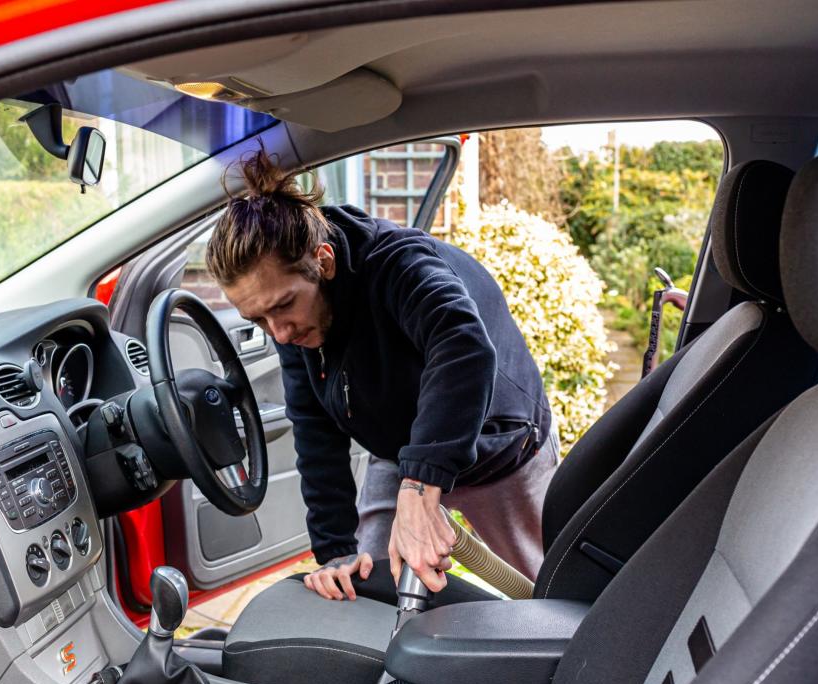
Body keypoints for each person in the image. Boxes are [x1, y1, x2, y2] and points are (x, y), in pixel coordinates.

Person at [205, 148, 557, 599]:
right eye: (258, 319)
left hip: (501, 445)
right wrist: (334, 551)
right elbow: (314, 427)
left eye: (282, 306)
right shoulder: (293, 324)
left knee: (549, 593)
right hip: (404, 449)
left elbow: (463, 346)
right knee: (365, 587)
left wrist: (418, 487)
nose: (279, 331)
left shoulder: (399, 264)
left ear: (324, 262)